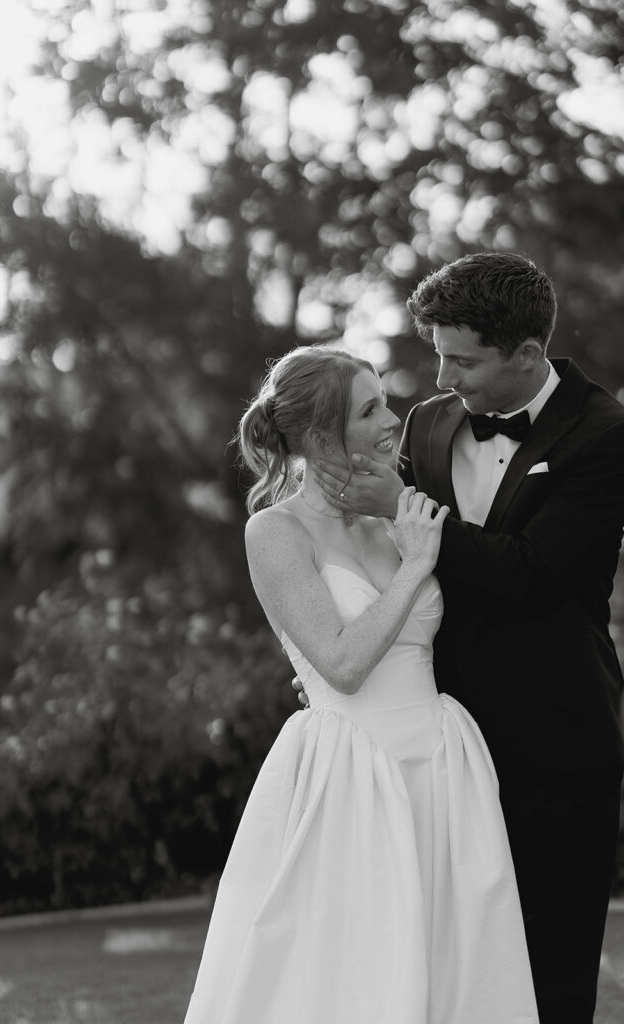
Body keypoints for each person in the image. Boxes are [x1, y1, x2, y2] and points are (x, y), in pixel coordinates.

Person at [183, 345, 539, 1024]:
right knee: (354, 977)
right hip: (351, 775)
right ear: (321, 434)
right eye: (369, 408)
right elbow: (342, 666)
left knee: (457, 972)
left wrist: (417, 545)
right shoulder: (275, 531)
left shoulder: (396, 512)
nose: (390, 419)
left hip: (440, 766)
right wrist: (415, 568)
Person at [311, 252, 624, 1024]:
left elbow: (529, 574)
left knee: (549, 975)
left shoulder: (606, 435)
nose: (444, 378)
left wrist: (402, 507)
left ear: (526, 354)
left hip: (557, 745)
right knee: (446, 969)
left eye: (463, 360)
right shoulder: (429, 421)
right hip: (437, 747)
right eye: (438, 354)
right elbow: (385, 561)